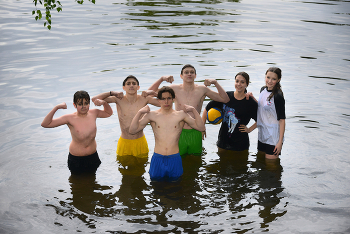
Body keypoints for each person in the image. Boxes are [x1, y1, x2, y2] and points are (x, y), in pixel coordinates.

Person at [148, 64, 229, 156]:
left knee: (196, 160)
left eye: (192, 72)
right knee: (179, 158)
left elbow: (225, 99)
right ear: (181, 76)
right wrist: (161, 79)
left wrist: (215, 83)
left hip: (196, 130)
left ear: (195, 75)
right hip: (179, 131)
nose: (189, 74)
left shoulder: (202, 90)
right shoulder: (174, 89)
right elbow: (149, 94)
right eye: (186, 72)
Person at [129, 86, 206, 181]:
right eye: (163, 99)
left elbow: (201, 127)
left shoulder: (180, 115)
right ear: (159, 100)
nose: (166, 102)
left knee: (176, 188)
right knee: (156, 188)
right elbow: (132, 131)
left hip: (174, 158)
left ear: (173, 99)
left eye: (169, 98)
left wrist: (193, 110)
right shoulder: (152, 115)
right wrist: (140, 112)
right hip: (158, 158)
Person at [41, 90, 113, 174]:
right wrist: (57, 107)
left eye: (86, 103)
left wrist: (104, 103)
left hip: (93, 156)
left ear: (89, 103)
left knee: (93, 182)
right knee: (77, 184)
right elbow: (45, 124)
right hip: (77, 159)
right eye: (80, 104)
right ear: (74, 105)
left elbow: (109, 113)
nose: (84, 106)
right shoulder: (69, 118)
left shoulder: (94, 113)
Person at [91, 75, 162, 160]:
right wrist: (112, 93)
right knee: (123, 170)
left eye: (134, 83)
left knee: (141, 168)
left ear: (138, 87)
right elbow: (94, 99)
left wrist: (153, 93)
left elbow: (164, 103)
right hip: (124, 142)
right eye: (128, 83)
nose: (131, 85)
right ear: (124, 88)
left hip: (140, 141)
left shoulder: (144, 98)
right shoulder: (118, 99)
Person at [202, 72, 258, 153]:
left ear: (247, 84)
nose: (239, 84)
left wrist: (249, 129)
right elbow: (207, 108)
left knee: (240, 165)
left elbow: (260, 119)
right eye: (237, 81)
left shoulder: (250, 102)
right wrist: (202, 127)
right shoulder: (226, 96)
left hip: (241, 144)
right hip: (223, 141)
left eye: (242, 82)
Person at [256, 67, 286, 160]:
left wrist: (279, 142)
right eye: (268, 77)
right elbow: (262, 108)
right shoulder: (262, 90)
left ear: (278, 80)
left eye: (273, 79)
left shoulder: (278, 96)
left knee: (272, 167)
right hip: (262, 133)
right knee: (260, 162)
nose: (269, 81)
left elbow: (282, 120)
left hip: (273, 137)